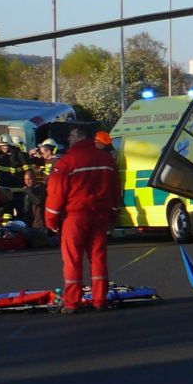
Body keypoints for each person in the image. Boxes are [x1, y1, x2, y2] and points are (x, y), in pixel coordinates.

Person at [45, 127, 121, 311]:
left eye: (71, 135)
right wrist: (113, 213)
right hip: (100, 216)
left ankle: (72, 302)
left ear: (79, 137)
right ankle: (100, 299)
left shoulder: (67, 162)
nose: (69, 139)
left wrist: (51, 220)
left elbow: (56, 193)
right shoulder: (106, 160)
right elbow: (115, 189)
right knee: (98, 258)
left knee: (73, 259)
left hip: (75, 216)